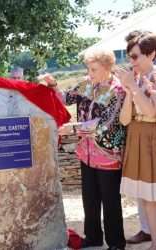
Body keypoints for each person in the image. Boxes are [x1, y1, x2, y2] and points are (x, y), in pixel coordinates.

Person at [42, 49, 126, 250]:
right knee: (90, 198)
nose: (90, 73)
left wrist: (73, 128)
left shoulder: (117, 90)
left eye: (94, 69)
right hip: (86, 152)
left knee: (110, 200)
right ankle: (93, 237)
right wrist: (52, 84)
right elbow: (64, 99)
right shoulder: (86, 83)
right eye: (88, 68)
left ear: (107, 68)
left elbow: (107, 123)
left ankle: (116, 243)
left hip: (108, 153)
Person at [117, 33, 156, 250]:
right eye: (130, 57)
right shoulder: (136, 79)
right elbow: (124, 120)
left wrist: (132, 86)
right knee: (147, 196)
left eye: (135, 57)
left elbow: (152, 111)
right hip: (138, 135)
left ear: (152, 54)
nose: (131, 61)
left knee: (152, 196)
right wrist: (130, 91)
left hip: (152, 137)